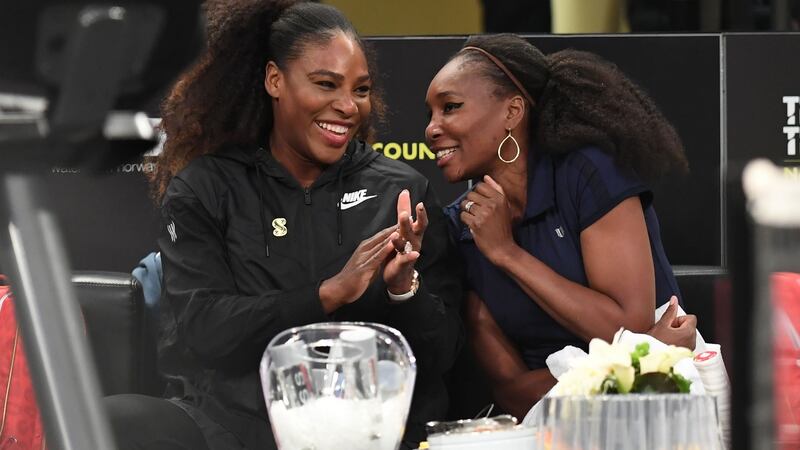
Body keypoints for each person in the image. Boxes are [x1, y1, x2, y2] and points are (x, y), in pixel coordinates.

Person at [105, 1, 463, 449]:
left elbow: (439, 356)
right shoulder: (207, 187)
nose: (347, 106)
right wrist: (328, 294)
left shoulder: (401, 192)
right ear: (275, 80)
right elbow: (205, 328)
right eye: (326, 84)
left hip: (373, 431)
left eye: (361, 89)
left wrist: (403, 290)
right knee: (116, 420)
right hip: (237, 428)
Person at [424, 34, 696, 419]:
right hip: (549, 427)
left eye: (450, 107)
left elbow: (629, 328)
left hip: (658, 409)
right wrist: (641, 357)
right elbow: (512, 390)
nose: (432, 129)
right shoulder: (459, 228)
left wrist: (507, 254)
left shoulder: (587, 173)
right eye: (430, 115)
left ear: (512, 111)